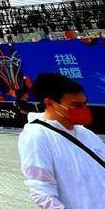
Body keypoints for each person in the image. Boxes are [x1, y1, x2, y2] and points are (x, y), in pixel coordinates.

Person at [18, 73, 104, 208]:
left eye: (84, 104)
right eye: (76, 105)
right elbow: (41, 191)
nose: (83, 109)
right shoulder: (36, 135)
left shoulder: (86, 134)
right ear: (50, 103)